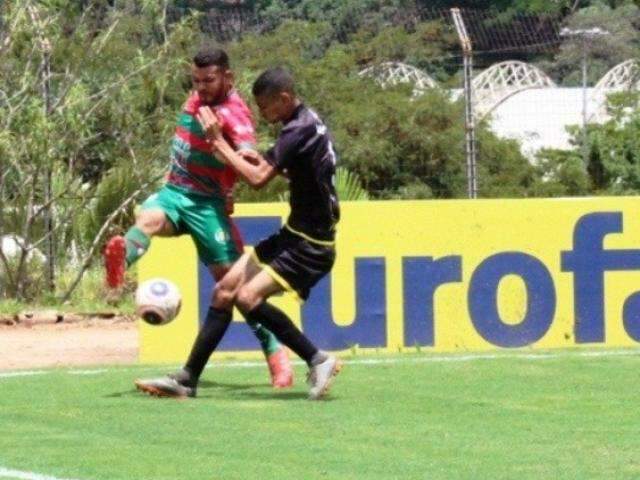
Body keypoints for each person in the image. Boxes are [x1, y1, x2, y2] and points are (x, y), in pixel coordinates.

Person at [135, 66, 342, 400]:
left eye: (266, 106)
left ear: (285, 98)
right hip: (293, 233)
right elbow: (294, 170)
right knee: (225, 291)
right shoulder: (305, 123)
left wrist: (220, 143)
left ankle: (318, 359)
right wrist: (252, 157)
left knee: (247, 298)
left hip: (310, 244)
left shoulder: (297, 129)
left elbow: (258, 180)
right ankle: (186, 381)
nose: (262, 113)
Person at [105, 49, 293, 389]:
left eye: (209, 81)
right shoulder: (196, 99)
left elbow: (248, 152)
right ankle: (122, 260)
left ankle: (276, 353)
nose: (202, 87)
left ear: (228, 78)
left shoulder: (234, 114)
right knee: (147, 219)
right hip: (175, 194)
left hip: (208, 207)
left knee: (236, 290)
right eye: (196, 81)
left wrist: (236, 164)